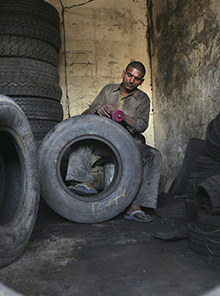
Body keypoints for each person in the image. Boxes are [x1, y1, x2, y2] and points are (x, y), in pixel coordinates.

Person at [65, 61, 162, 223]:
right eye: (129, 75)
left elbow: (142, 126)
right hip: (105, 142)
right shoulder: (108, 90)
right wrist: (98, 108)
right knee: (81, 139)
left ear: (141, 82)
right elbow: (87, 113)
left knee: (153, 155)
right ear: (123, 73)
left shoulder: (143, 99)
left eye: (137, 79)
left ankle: (135, 206)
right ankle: (85, 183)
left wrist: (123, 117)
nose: (131, 80)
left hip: (131, 143)